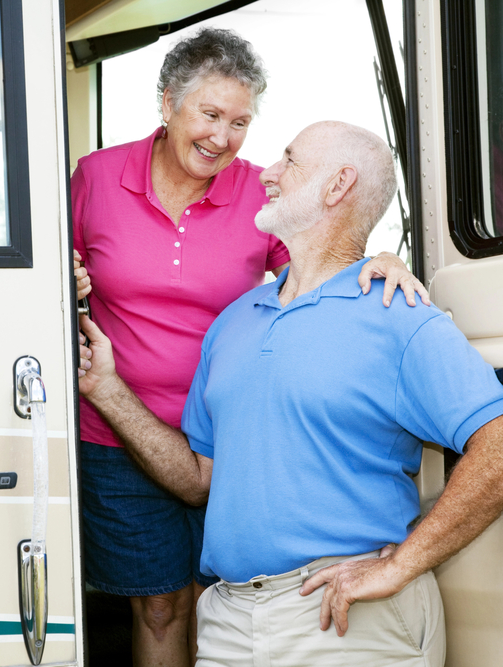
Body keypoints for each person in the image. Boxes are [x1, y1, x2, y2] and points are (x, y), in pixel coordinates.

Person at [76, 120, 503, 666]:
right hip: (227, 624)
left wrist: (398, 566)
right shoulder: (233, 322)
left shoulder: (397, 313)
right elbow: (199, 481)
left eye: (289, 161)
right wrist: (107, 391)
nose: (266, 173)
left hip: (342, 618)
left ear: (337, 185)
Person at [71, 29, 427, 666]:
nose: (222, 137)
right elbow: (49, 268)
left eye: (240, 122)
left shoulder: (258, 193)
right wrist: (62, 279)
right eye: (209, 115)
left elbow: (324, 259)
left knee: (227, 602)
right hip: (119, 432)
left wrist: (385, 259)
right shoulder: (97, 177)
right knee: (158, 605)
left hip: (233, 437)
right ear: (167, 104)